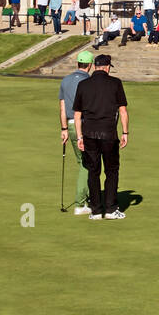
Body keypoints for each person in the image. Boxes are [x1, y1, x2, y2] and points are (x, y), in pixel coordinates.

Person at [73, 54, 130, 220]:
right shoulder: (115, 83)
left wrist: (79, 137)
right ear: (106, 67)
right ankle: (111, 209)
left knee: (93, 171)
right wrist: (125, 132)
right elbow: (123, 111)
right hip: (109, 134)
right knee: (111, 170)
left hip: (89, 133)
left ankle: (96, 211)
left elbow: (77, 114)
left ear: (95, 66)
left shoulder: (83, 85)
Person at [59, 50, 94, 216]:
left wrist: (64, 129)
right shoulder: (89, 81)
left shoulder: (65, 80)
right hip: (84, 125)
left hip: (70, 126)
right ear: (90, 65)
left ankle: (87, 197)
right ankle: (81, 203)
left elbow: (62, 106)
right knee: (86, 163)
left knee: (82, 162)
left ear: (77, 64)